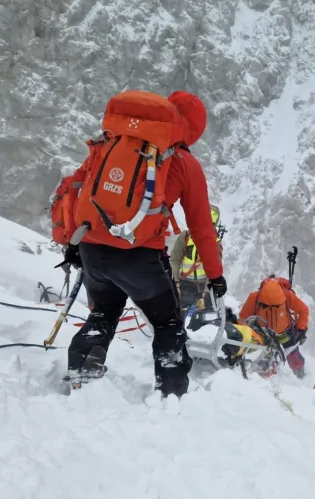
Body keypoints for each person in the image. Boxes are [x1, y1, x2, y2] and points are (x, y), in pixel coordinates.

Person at [58, 89, 226, 398]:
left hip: (91, 247)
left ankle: (83, 369)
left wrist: (72, 242)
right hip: (138, 255)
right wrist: (215, 275)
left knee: (104, 311)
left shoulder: (113, 141)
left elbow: (77, 188)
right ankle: (172, 394)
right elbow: (201, 229)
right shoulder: (183, 161)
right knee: (167, 323)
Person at [238, 275, 309, 378]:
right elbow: (243, 318)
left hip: (285, 333)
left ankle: (301, 376)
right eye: (267, 306)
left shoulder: (288, 296)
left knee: (294, 359)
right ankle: (266, 381)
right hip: (262, 334)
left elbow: (303, 310)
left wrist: (301, 329)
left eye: (276, 306)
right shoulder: (254, 298)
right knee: (263, 361)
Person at [169, 204, 223, 319]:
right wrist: (176, 284)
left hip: (204, 285)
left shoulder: (215, 244)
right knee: (178, 314)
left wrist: (205, 294)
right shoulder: (185, 237)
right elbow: (175, 260)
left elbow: (214, 272)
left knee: (205, 318)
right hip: (185, 284)